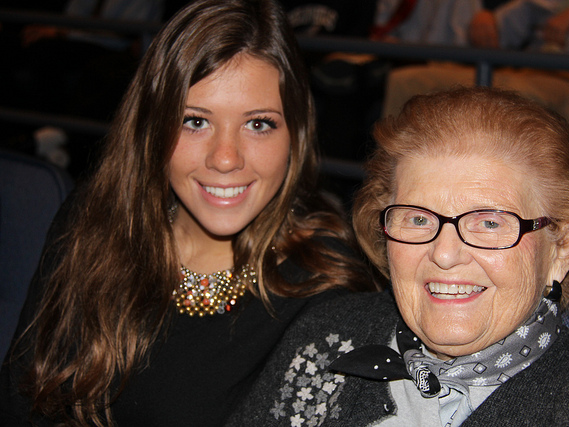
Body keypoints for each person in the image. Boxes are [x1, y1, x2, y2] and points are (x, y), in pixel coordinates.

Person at [0, 0, 380, 425]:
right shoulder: (93, 221)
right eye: (195, 121)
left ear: (296, 134)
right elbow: (21, 400)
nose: (224, 158)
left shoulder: (326, 289)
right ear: (152, 126)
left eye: (258, 124)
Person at [226, 87, 569, 426]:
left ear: (561, 248)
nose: (443, 254)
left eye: (490, 223)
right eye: (418, 220)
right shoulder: (326, 337)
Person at [380, 0, 569, 200]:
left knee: (567, 102)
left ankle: (564, 229)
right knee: (408, 80)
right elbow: (506, 29)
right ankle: (388, 195)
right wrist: (484, 21)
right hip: (535, 68)